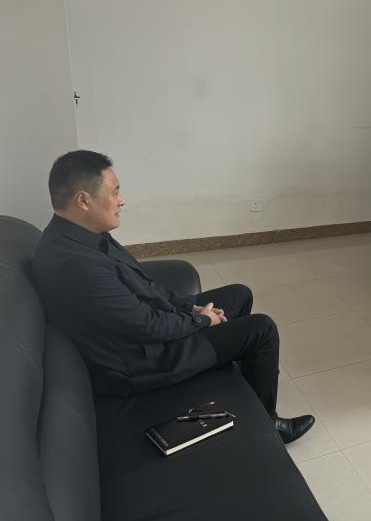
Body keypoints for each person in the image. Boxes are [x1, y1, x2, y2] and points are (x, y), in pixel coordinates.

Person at [32, 150, 314, 443]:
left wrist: (191, 307)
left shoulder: (87, 234)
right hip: (141, 361)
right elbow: (146, 326)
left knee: (239, 295)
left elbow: (146, 287)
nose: (121, 200)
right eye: (114, 192)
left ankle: (238, 372)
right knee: (262, 329)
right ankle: (270, 426)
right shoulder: (74, 266)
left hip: (146, 336)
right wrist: (201, 321)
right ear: (83, 200)